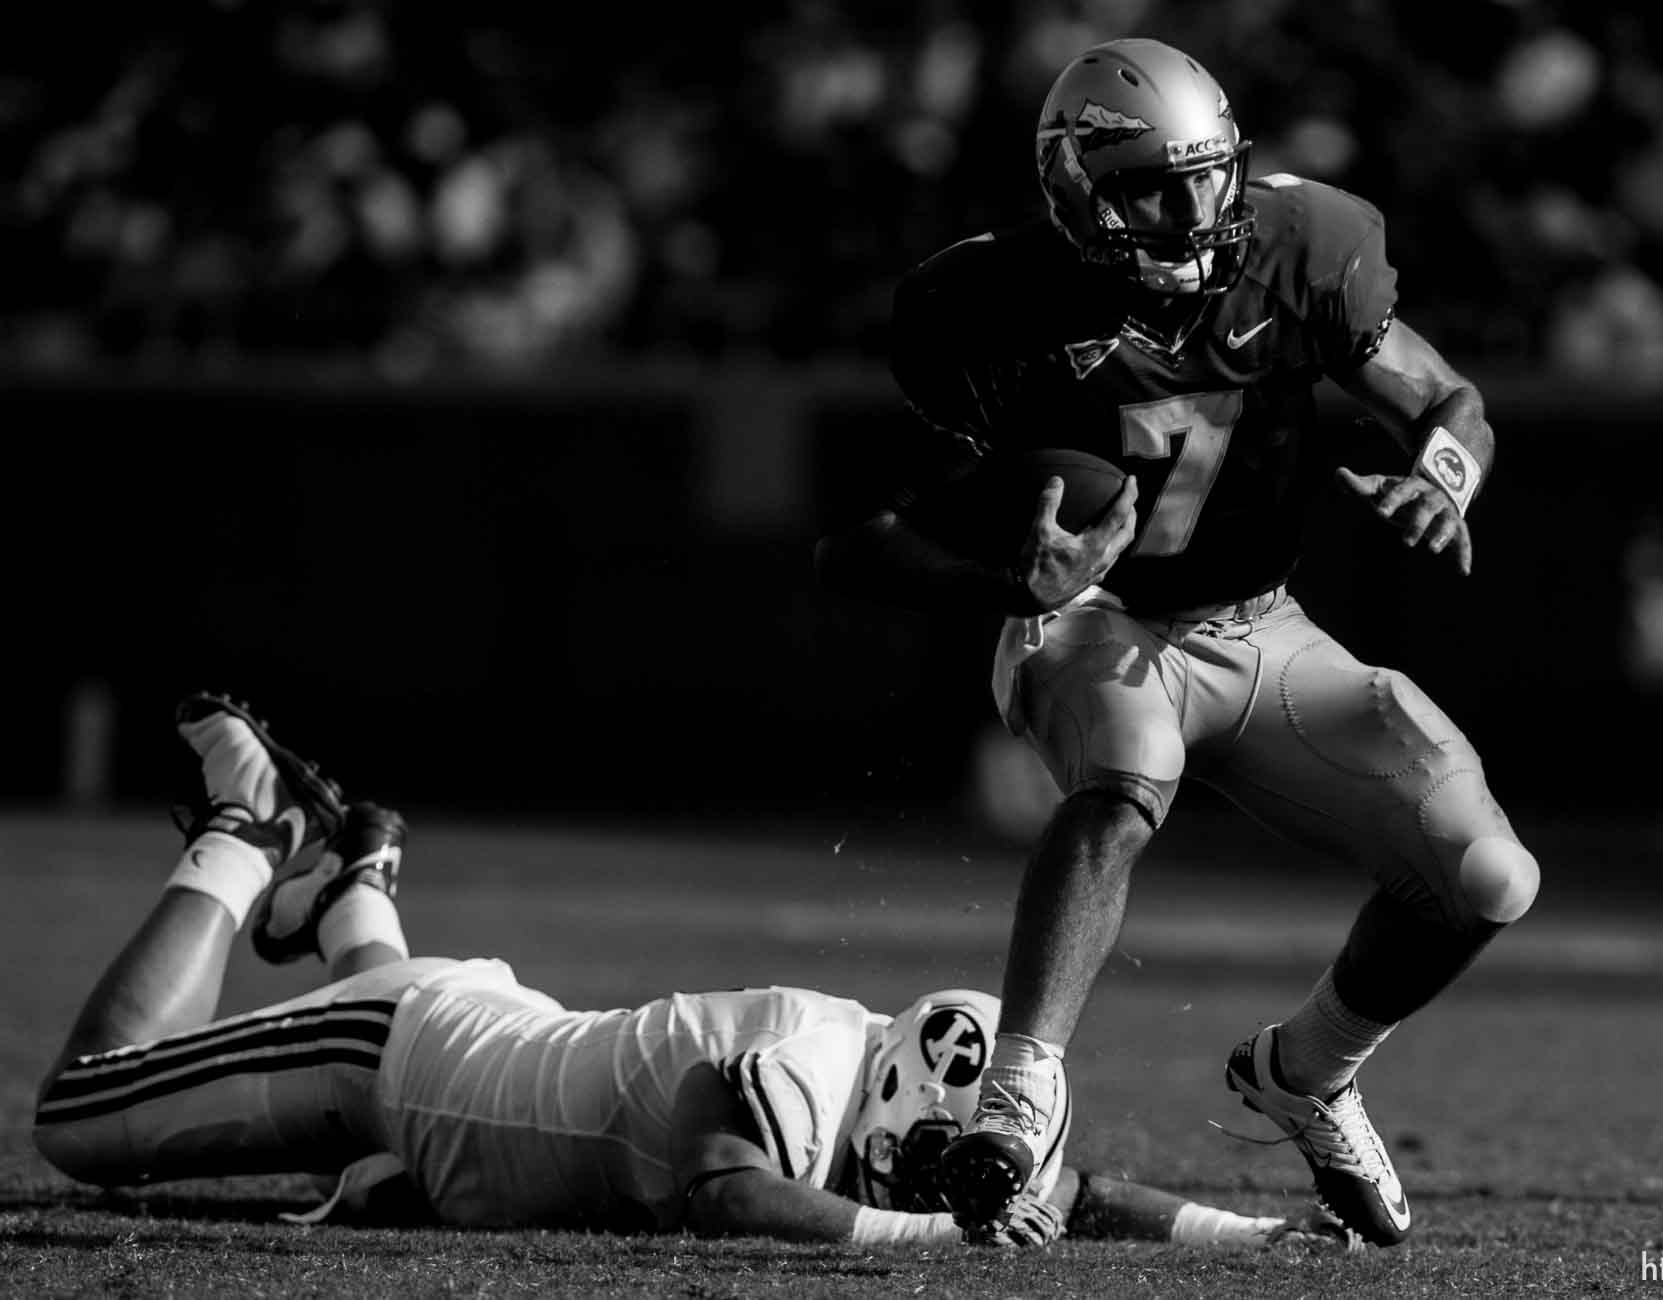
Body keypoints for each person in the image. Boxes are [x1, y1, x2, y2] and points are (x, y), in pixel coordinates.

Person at [816, 37, 1541, 1247]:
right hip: (1090, 621)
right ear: (1073, 188)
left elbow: (1448, 401)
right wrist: (1009, 574)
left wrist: (1447, 471)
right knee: (1129, 759)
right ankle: (1021, 1088)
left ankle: (1305, 1071)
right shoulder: (983, 306)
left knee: (1488, 878)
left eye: (1208, 178)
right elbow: (857, 547)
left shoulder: (1304, 245)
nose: (1194, 210)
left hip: (1260, 624)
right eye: (1155, 184)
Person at [33, 692, 1350, 1250]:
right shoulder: (796, 1070)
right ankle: (243, 838)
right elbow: (724, 1191)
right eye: (962, 1166)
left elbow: (1075, 1194)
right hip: (383, 1060)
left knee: (388, 1004)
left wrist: (1254, 1233)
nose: (980, 1181)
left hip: (463, 1036)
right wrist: (928, 1229)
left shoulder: (920, 1081)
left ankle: (356, 877)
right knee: (81, 1123)